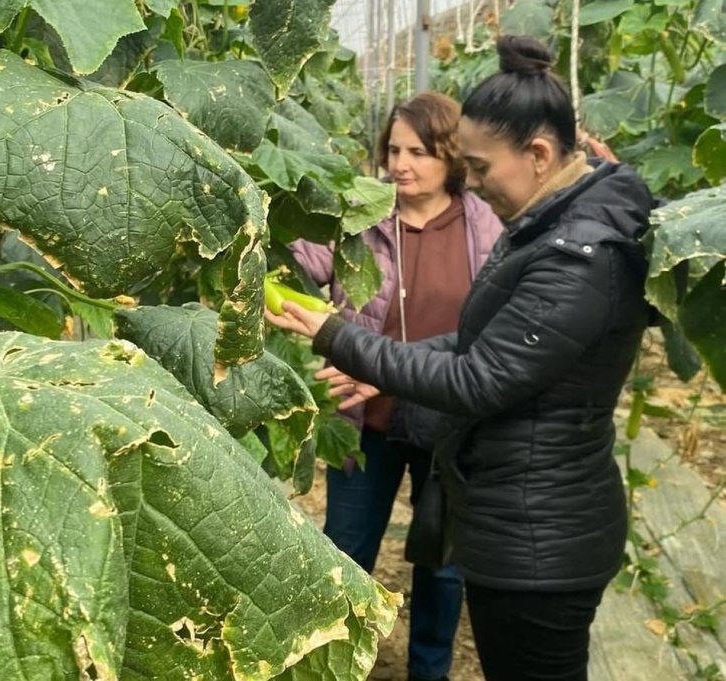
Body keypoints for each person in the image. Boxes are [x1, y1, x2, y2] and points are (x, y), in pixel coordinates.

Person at [269, 35, 654, 681]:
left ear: (537, 153)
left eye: (477, 166)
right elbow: (484, 343)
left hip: (540, 533)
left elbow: (478, 376)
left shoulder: (573, 256)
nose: (470, 181)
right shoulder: (549, 228)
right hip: (522, 513)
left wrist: (338, 336)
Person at [289, 92, 502, 681]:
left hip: (450, 421)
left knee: (441, 560)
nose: (400, 164)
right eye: (393, 149)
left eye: (418, 152)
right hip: (367, 419)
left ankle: (427, 672)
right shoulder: (361, 216)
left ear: (452, 156)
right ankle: (330, 664)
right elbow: (298, 262)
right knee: (345, 550)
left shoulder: (486, 226)